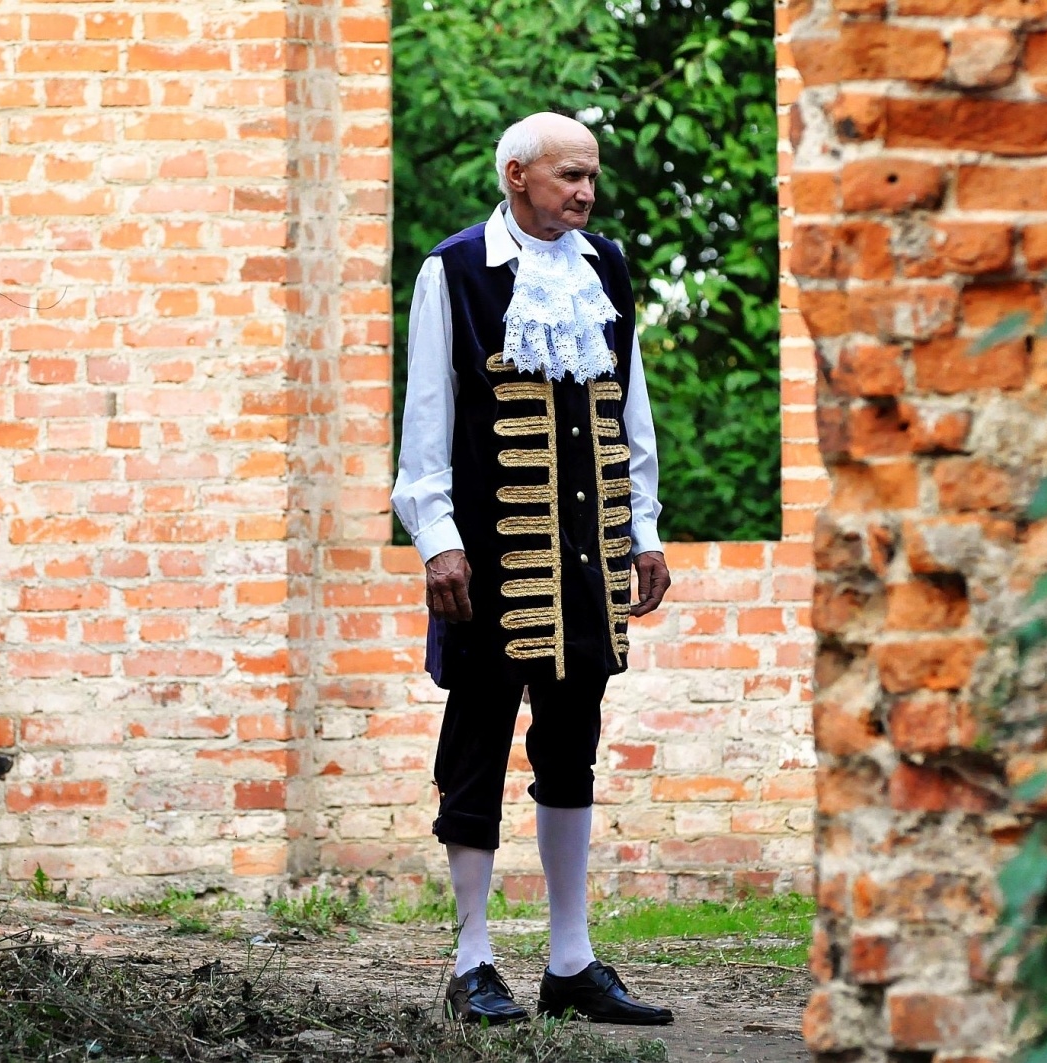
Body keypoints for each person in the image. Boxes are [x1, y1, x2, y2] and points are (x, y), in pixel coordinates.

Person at [391, 112, 673, 1026]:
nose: (584, 193)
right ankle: (472, 958)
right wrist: (436, 538)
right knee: (475, 748)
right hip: (488, 558)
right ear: (517, 175)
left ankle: (570, 960)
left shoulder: (608, 267)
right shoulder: (456, 270)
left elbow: (632, 411)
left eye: (591, 176)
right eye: (567, 177)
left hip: (590, 557)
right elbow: (425, 419)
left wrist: (649, 530)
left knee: (571, 746)